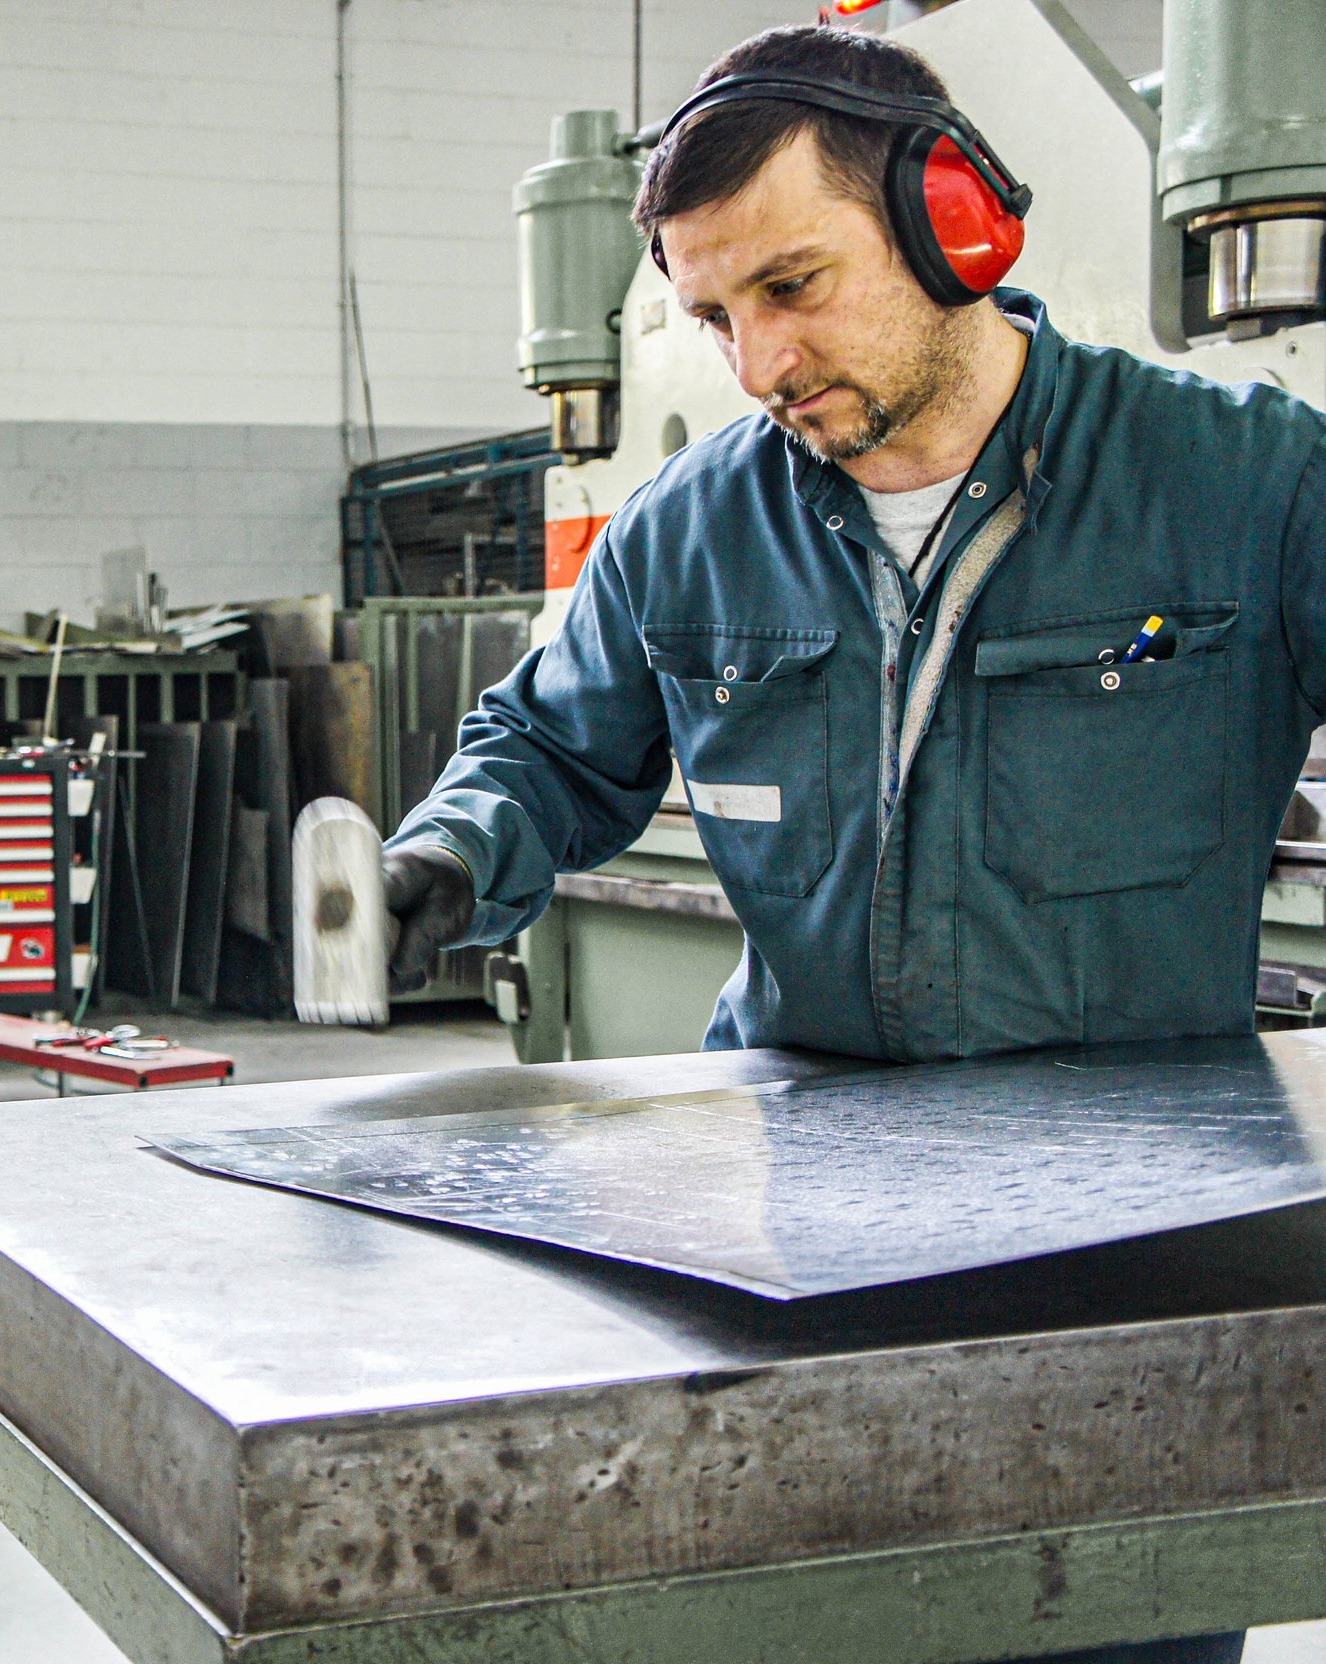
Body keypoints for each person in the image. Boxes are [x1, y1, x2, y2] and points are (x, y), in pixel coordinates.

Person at [383, 25, 1326, 1662]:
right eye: (714, 317)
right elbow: (543, 744)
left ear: (954, 220)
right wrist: (449, 860)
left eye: (794, 289)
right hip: (794, 1240)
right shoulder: (694, 526)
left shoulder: (1243, 485)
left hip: (1129, 1263)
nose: (758, 367)